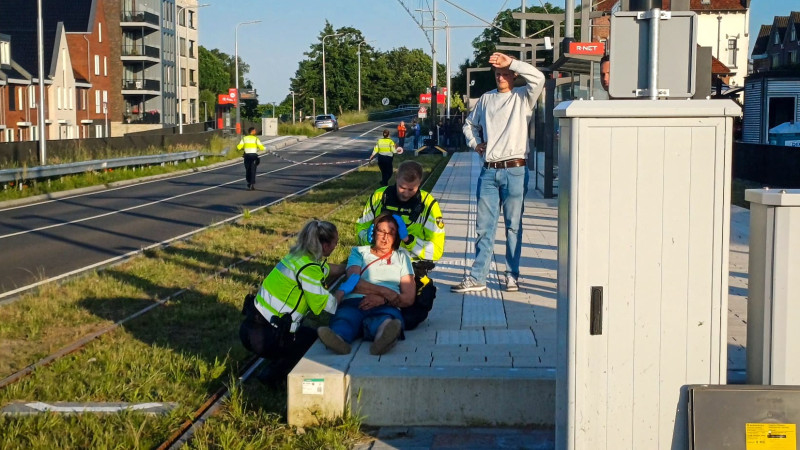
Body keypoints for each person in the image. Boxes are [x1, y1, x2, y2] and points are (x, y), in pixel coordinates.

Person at [453, 52, 545, 293]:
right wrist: (476, 144)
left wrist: (511, 62)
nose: (501, 77)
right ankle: (478, 277)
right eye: (498, 74)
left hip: (516, 170)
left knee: (514, 226)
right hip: (490, 170)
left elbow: (538, 78)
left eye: (506, 73)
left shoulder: (523, 97)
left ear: (514, 75)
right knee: (484, 226)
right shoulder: (486, 99)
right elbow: (469, 124)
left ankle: (511, 275)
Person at [239, 219, 357, 385]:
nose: (337, 246)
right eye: (335, 243)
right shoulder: (308, 269)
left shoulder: (299, 257)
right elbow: (329, 306)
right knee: (315, 343)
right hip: (266, 337)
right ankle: (275, 377)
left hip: (252, 325)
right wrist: (344, 289)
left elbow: (328, 269)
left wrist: (348, 269)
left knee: (308, 335)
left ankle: (272, 371)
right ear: (325, 246)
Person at [355, 160, 445, 329]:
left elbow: (437, 251)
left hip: (408, 271)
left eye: (412, 189)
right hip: (377, 265)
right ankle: (379, 317)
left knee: (409, 320)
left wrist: (409, 240)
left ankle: (384, 311)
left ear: (420, 183)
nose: (405, 193)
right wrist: (368, 237)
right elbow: (360, 228)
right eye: (402, 187)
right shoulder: (379, 197)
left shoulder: (429, 205)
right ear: (396, 178)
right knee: (357, 307)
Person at [318, 212, 416, 355]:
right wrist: (385, 292)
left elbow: (408, 298)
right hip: (355, 301)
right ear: (374, 231)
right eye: (381, 231)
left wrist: (383, 299)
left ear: (396, 237)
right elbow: (354, 281)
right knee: (345, 318)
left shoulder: (402, 257)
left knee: (385, 321)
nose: (385, 237)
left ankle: (383, 340)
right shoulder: (359, 252)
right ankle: (338, 340)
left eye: (391, 233)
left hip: (386, 305)